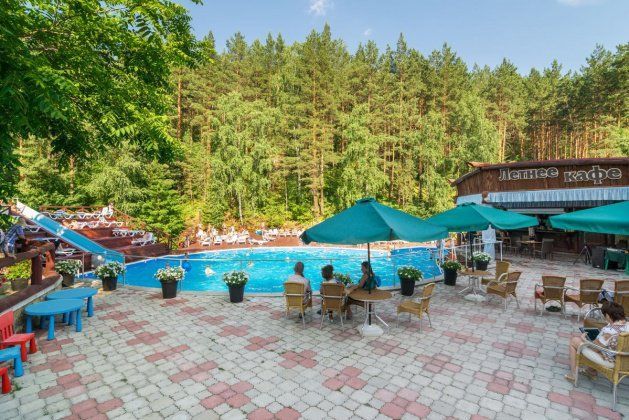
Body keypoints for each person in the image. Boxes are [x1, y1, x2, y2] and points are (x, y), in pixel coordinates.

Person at [566, 301, 629, 382]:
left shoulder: (608, 330)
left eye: (604, 315)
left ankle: (573, 375)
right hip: (624, 359)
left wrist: (584, 339)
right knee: (599, 344)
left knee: (574, 341)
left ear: (608, 315)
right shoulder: (627, 325)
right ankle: (591, 371)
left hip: (611, 360)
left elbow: (595, 349)